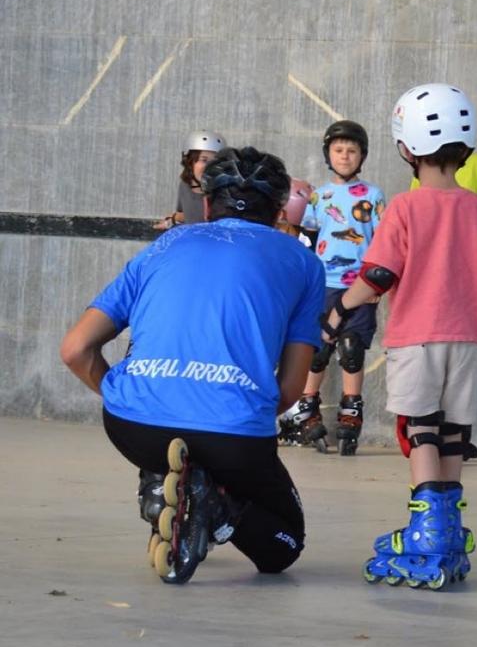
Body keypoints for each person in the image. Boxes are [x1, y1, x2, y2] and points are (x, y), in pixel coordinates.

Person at [59, 147, 325, 584]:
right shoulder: (303, 262)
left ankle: (164, 477)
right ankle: (221, 509)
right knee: (282, 546)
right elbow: (291, 389)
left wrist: (131, 396)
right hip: (234, 432)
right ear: (280, 211)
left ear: (205, 204)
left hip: (135, 426)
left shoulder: (163, 245)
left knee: (159, 396)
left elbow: (75, 349)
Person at [324, 83, 477, 589]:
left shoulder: (404, 208)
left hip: (418, 335)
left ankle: (426, 532)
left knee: (421, 429)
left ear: (405, 148)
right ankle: (448, 529)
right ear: (466, 147)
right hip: (467, 337)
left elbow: (379, 275)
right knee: (453, 431)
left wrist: (338, 310)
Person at [285, 120, 386, 456]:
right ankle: (308, 404)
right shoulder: (318, 197)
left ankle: (351, 411)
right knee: (319, 350)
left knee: (352, 349)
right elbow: (307, 243)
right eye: (339, 150)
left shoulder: (373, 196)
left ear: (362, 156)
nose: (345, 156)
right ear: (328, 154)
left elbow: (383, 242)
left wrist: (377, 283)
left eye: (352, 150)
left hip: (361, 286)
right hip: (323, 285)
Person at [153, 130, 226, 229]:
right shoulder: (185, 186)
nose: (209, 166)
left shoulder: (226, 191)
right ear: (190, 162)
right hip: (193, 240)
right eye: (204, 160)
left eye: (214, 162)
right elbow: (186, 214)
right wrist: (171, 221)